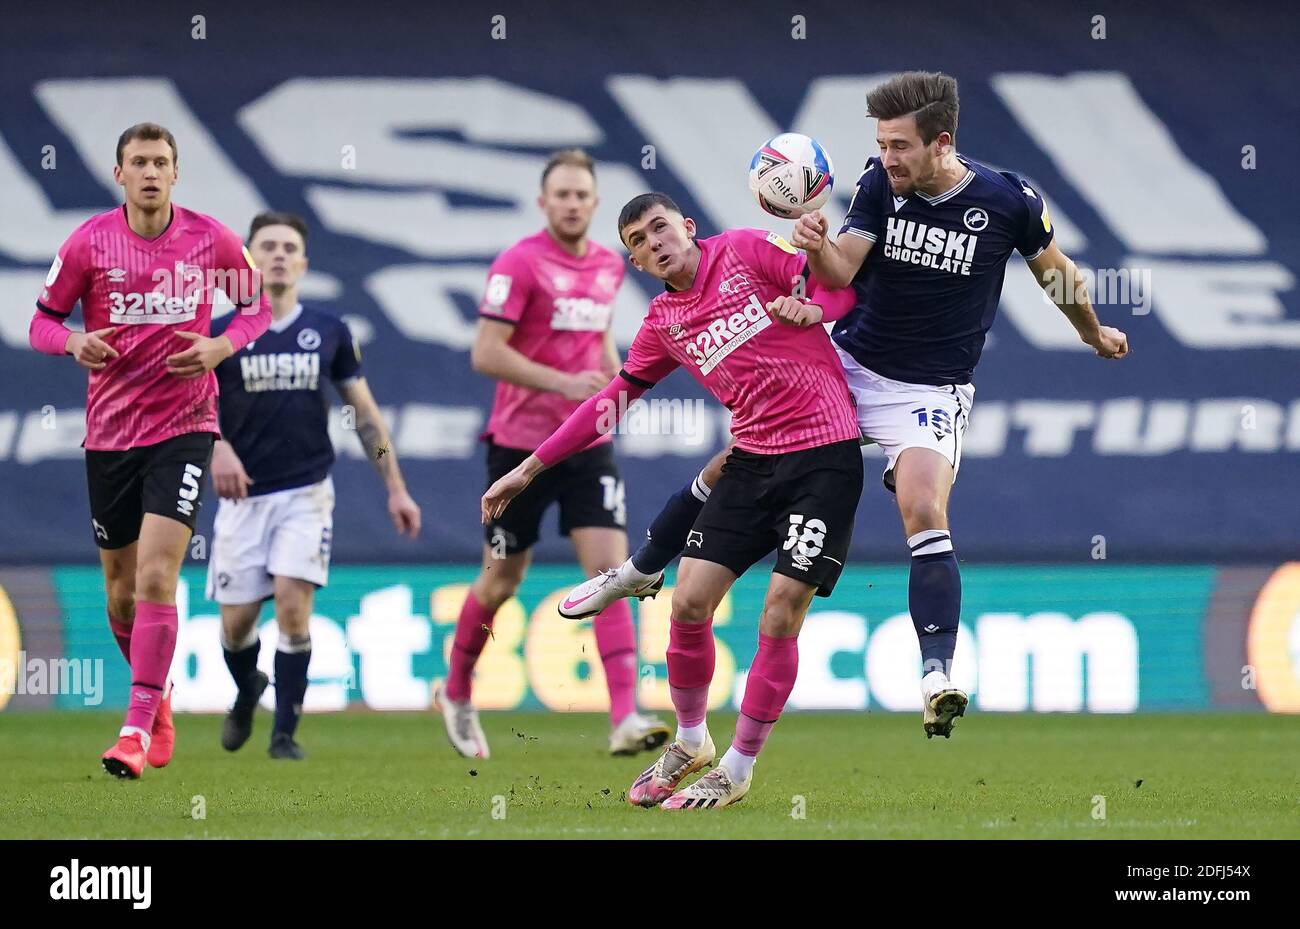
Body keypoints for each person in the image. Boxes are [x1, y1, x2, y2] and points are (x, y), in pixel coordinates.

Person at [562, 72, 1130, 740]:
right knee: (737, 459)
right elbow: (841, 272)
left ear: (940, 141)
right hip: (853, 365)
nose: (885, 158)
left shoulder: (1009, 200)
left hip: (929, 388)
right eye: (881, 144)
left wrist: (1092, 332)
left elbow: (1056, 272)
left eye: (898, 145)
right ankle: (639, 569)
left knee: (922, 504)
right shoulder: (876, 188)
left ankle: (936, 674)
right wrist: (816, 247)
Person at [483, 193, 862, 810]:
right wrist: (528, 469)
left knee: (780, 610)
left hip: (825, 456)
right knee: (686, 604)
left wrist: (812, 305)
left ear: (687, 227)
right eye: (637, 240)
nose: (653, 242)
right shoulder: (663, 323)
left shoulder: (743, 249)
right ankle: (690, 741)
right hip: (752, 461)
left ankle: (737, 767)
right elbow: (610, 403)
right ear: (636, 262)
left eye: (659, 227)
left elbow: (842, 292)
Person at [27, 122, 271, 778]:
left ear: (175, 171)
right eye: (139, 162)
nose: (152, 172)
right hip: (109, 434)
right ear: (120, 174)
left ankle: (133, 728)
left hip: (185, 426)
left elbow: (256, 308)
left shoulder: (209, 237)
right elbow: (41, 321)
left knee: (158, 574)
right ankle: (156, 694)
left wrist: (221, 345)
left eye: (162, 161)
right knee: (120, 593)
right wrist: (72, 343)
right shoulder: (89, 243)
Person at [441, 150, 668, 759]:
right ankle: (457, 691)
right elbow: (486, 353)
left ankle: (625, 716)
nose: (572, 204)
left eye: (582, 195)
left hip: (586, 445)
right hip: (517, 448)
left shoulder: (605, 264)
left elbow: (597, 340)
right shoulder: (519, 263)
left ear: (594, 204)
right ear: (544, 203)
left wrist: (616, 381)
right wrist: (562, 383)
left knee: (612, 573)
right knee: (501, 580)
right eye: (561, 195)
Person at [208, 212, 421, 760]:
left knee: (292, 606)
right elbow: (190, 409)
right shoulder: (218, 334)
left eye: (289, 247)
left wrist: (395, 487)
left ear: (303, 262)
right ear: (247, 260)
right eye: (267, 246)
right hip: (242, 498)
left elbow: (366, 416)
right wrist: (218, 447)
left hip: (306, 493)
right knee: (236, 626)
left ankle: (283, 735)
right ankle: (247, 686)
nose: (278, 255)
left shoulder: (329, 331)